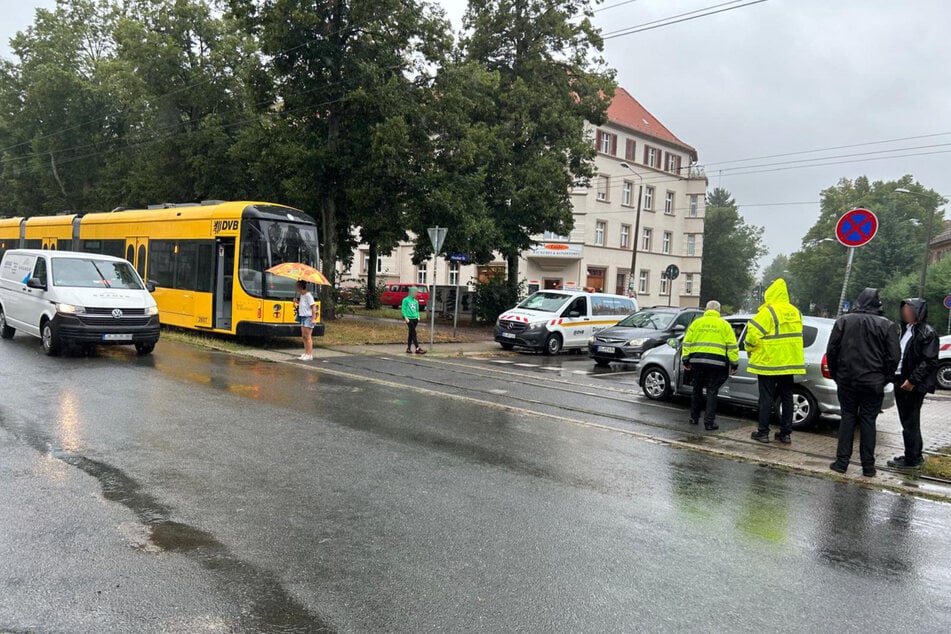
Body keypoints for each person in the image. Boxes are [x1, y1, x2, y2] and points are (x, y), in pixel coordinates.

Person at [826, 288, 900, 477]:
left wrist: (837, 375)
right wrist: (885, 377)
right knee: (868, 421)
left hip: (847, 380)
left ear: (859, 301)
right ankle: (868, 466)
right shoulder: (887, 325)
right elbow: (894, 356)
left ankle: (842, 462)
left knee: (848, 418)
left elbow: (832, 351)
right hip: (873, 381)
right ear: (878, 304)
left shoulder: (844, 321)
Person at [745, 278, 806, 444]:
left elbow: (752, 334)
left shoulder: (768, 312)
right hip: (789, 363)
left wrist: (749, 348)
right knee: (787, 398)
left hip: (769, 362)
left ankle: (763, 432)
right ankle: (785, 434)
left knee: (766, 398)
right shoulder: (796, 312)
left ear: (771, 294)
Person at [887, 298, 939, 470]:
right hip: (901, 379)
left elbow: (929, 361)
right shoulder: (905, 329)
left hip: (911, 383)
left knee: (910, 421)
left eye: (910, 309)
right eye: (904, 309)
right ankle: (912, 454)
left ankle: (913, 459)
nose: (906, 312)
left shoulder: (927, 332)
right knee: (908, 420)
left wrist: (912, 381)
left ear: (918, 311)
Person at [682, 300, 739, 430]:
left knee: (696, 390)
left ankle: (694, 417)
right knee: (712, 392)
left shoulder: (696, 323)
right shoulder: (724, 325)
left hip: (697, 362)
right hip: (717, 364)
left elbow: (687, 343)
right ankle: (709, 422)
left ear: (706, 310)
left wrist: (686, 360)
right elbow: (732, 346)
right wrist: (734, 364)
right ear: (718, 311)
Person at [295, 280, 316, 361]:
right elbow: (304, 305)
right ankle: (306, 352)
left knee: (308, 336)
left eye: (297, 286)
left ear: (301, 286)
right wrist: (297, 302)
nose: (296, 288)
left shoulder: (308, 295)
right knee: (304, 336)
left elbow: (313, 307)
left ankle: (309, 354)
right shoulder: (302, 295)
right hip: (302, 317)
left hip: (308, 317)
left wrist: (313, 319)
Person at [402, 286, 426, 355]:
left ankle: (408, 348)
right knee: (414, 332)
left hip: (415, 318)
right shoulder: (405, 300)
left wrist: (418, 316)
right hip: (409, 319)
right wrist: (405, 317)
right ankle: (417, 348)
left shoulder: (415, 301)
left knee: (411, 333)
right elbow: (403, 309)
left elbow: (417, 310)